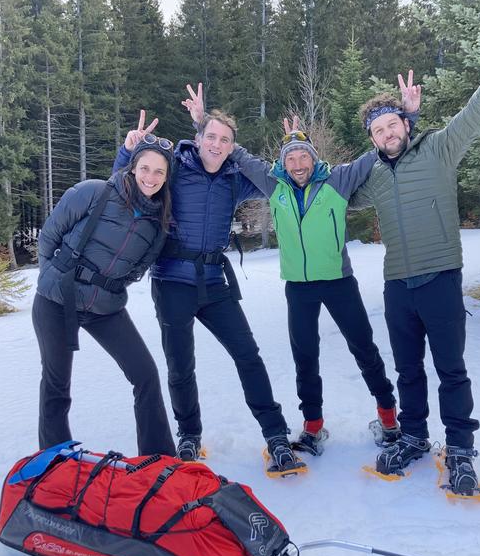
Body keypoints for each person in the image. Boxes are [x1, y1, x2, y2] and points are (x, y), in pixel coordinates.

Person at [352, 6, 480, 495]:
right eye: (378, 130)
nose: (388, 134)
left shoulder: (440, 149)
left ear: (406, 123)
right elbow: (332, 194)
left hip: (440, 279)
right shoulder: (370, 175)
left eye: (392, 125)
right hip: (398, 285)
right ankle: (413, 437)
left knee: (451, 370)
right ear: (371, 139)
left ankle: (459, 449)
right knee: (408, 369)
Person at [180, 82, 418, 456]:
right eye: (290, 158)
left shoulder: (337, 180)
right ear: (283, 162)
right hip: (299, 288)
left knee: (364, 349)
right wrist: (200, 124)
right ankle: (313, 427)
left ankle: (389, 418)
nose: (297, 164)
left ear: (313, 157)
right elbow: (236, 154)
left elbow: (380, 150)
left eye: (302, 157)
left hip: (339, 282)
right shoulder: (274, 184)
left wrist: (409, 118)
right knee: (305, 356)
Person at [112, 109, 305, 476]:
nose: (217, 145)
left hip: (215, 282)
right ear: (197, 138)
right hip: (172, 281)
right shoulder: (175, 168)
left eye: (225, 140)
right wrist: (128, 151)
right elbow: (128, 185)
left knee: (248, 356)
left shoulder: (235, 177)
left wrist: (290, 149)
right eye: (211, 137)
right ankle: (188, 435)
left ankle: (277, 437)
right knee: (180, 365)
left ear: (233, 147)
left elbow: (276, 183)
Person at [34, 124, 176, 457]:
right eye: (145, 168)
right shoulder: (94, 192)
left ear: (167, 177)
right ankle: (55, 460)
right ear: (133, 166)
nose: (150, 177)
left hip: (106, 308)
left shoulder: (158, 223)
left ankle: (158, 459)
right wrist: (52, 280)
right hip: (57, 299)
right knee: (57, 385)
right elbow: (48, 237)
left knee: (145, 375)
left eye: (159, 172)